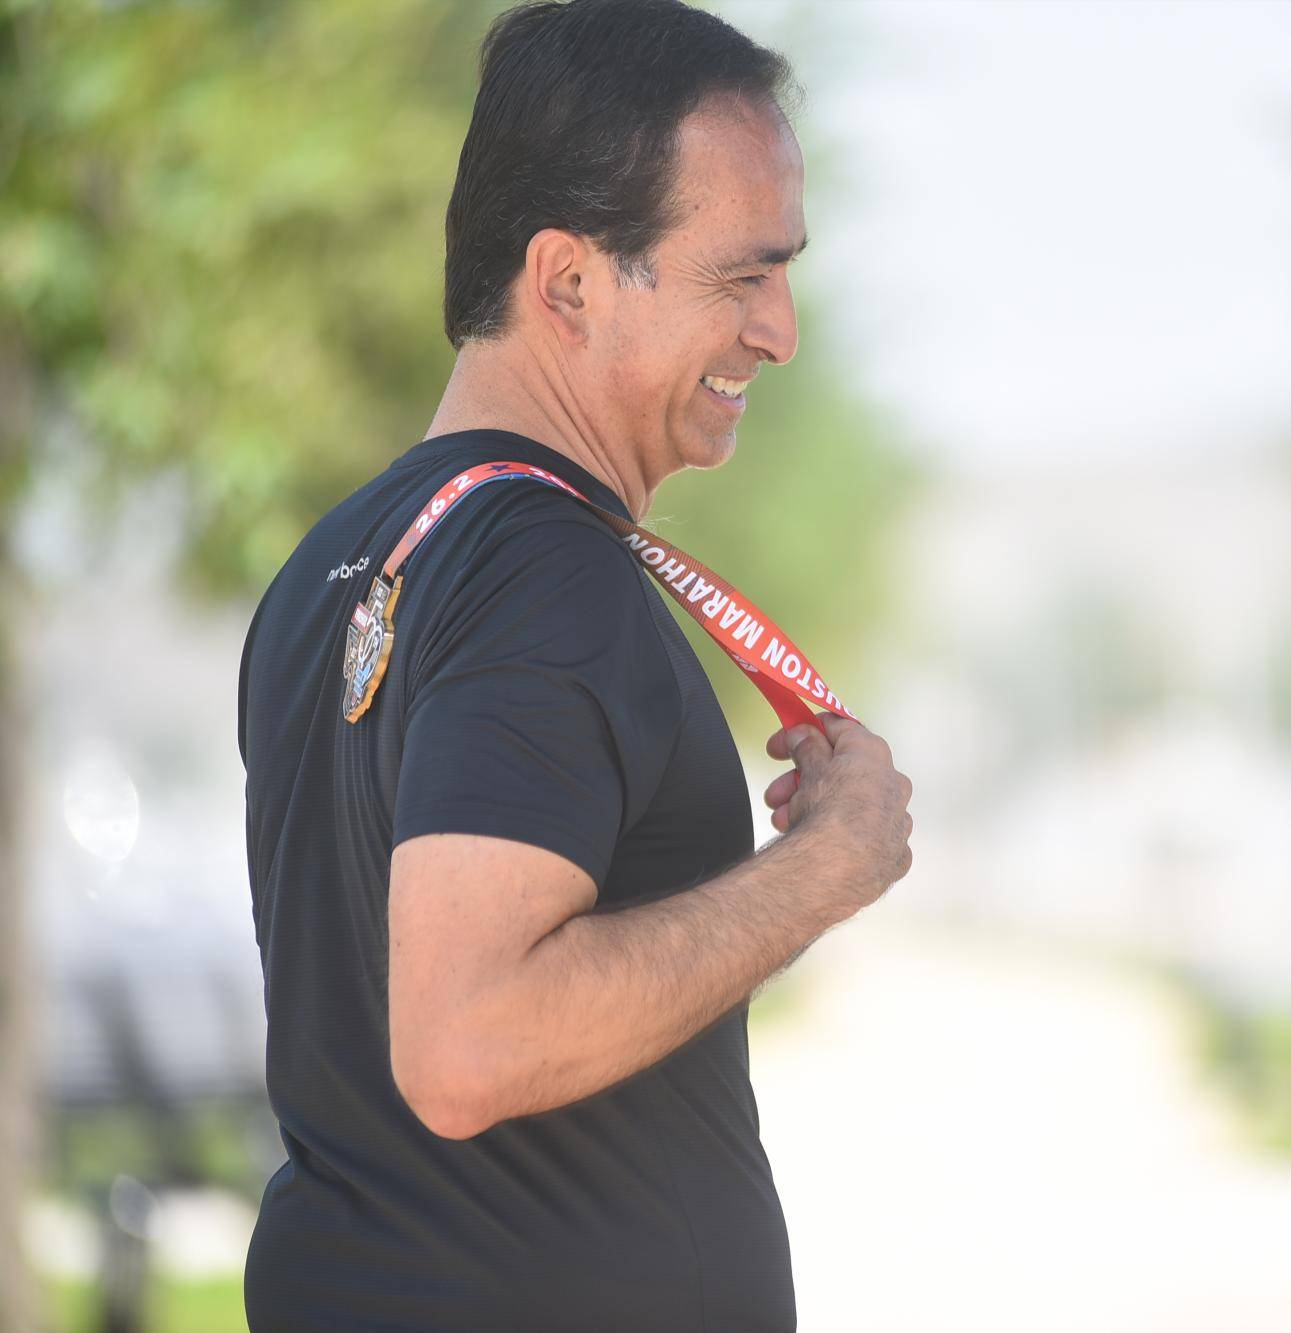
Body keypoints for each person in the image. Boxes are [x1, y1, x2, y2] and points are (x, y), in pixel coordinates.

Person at [236, 2, 911, 1327]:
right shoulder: (544, 569)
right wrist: (820, 874)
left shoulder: (339, 562)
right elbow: (466, 1043)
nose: (781, 330)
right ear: (567, 283)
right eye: (740, 275)